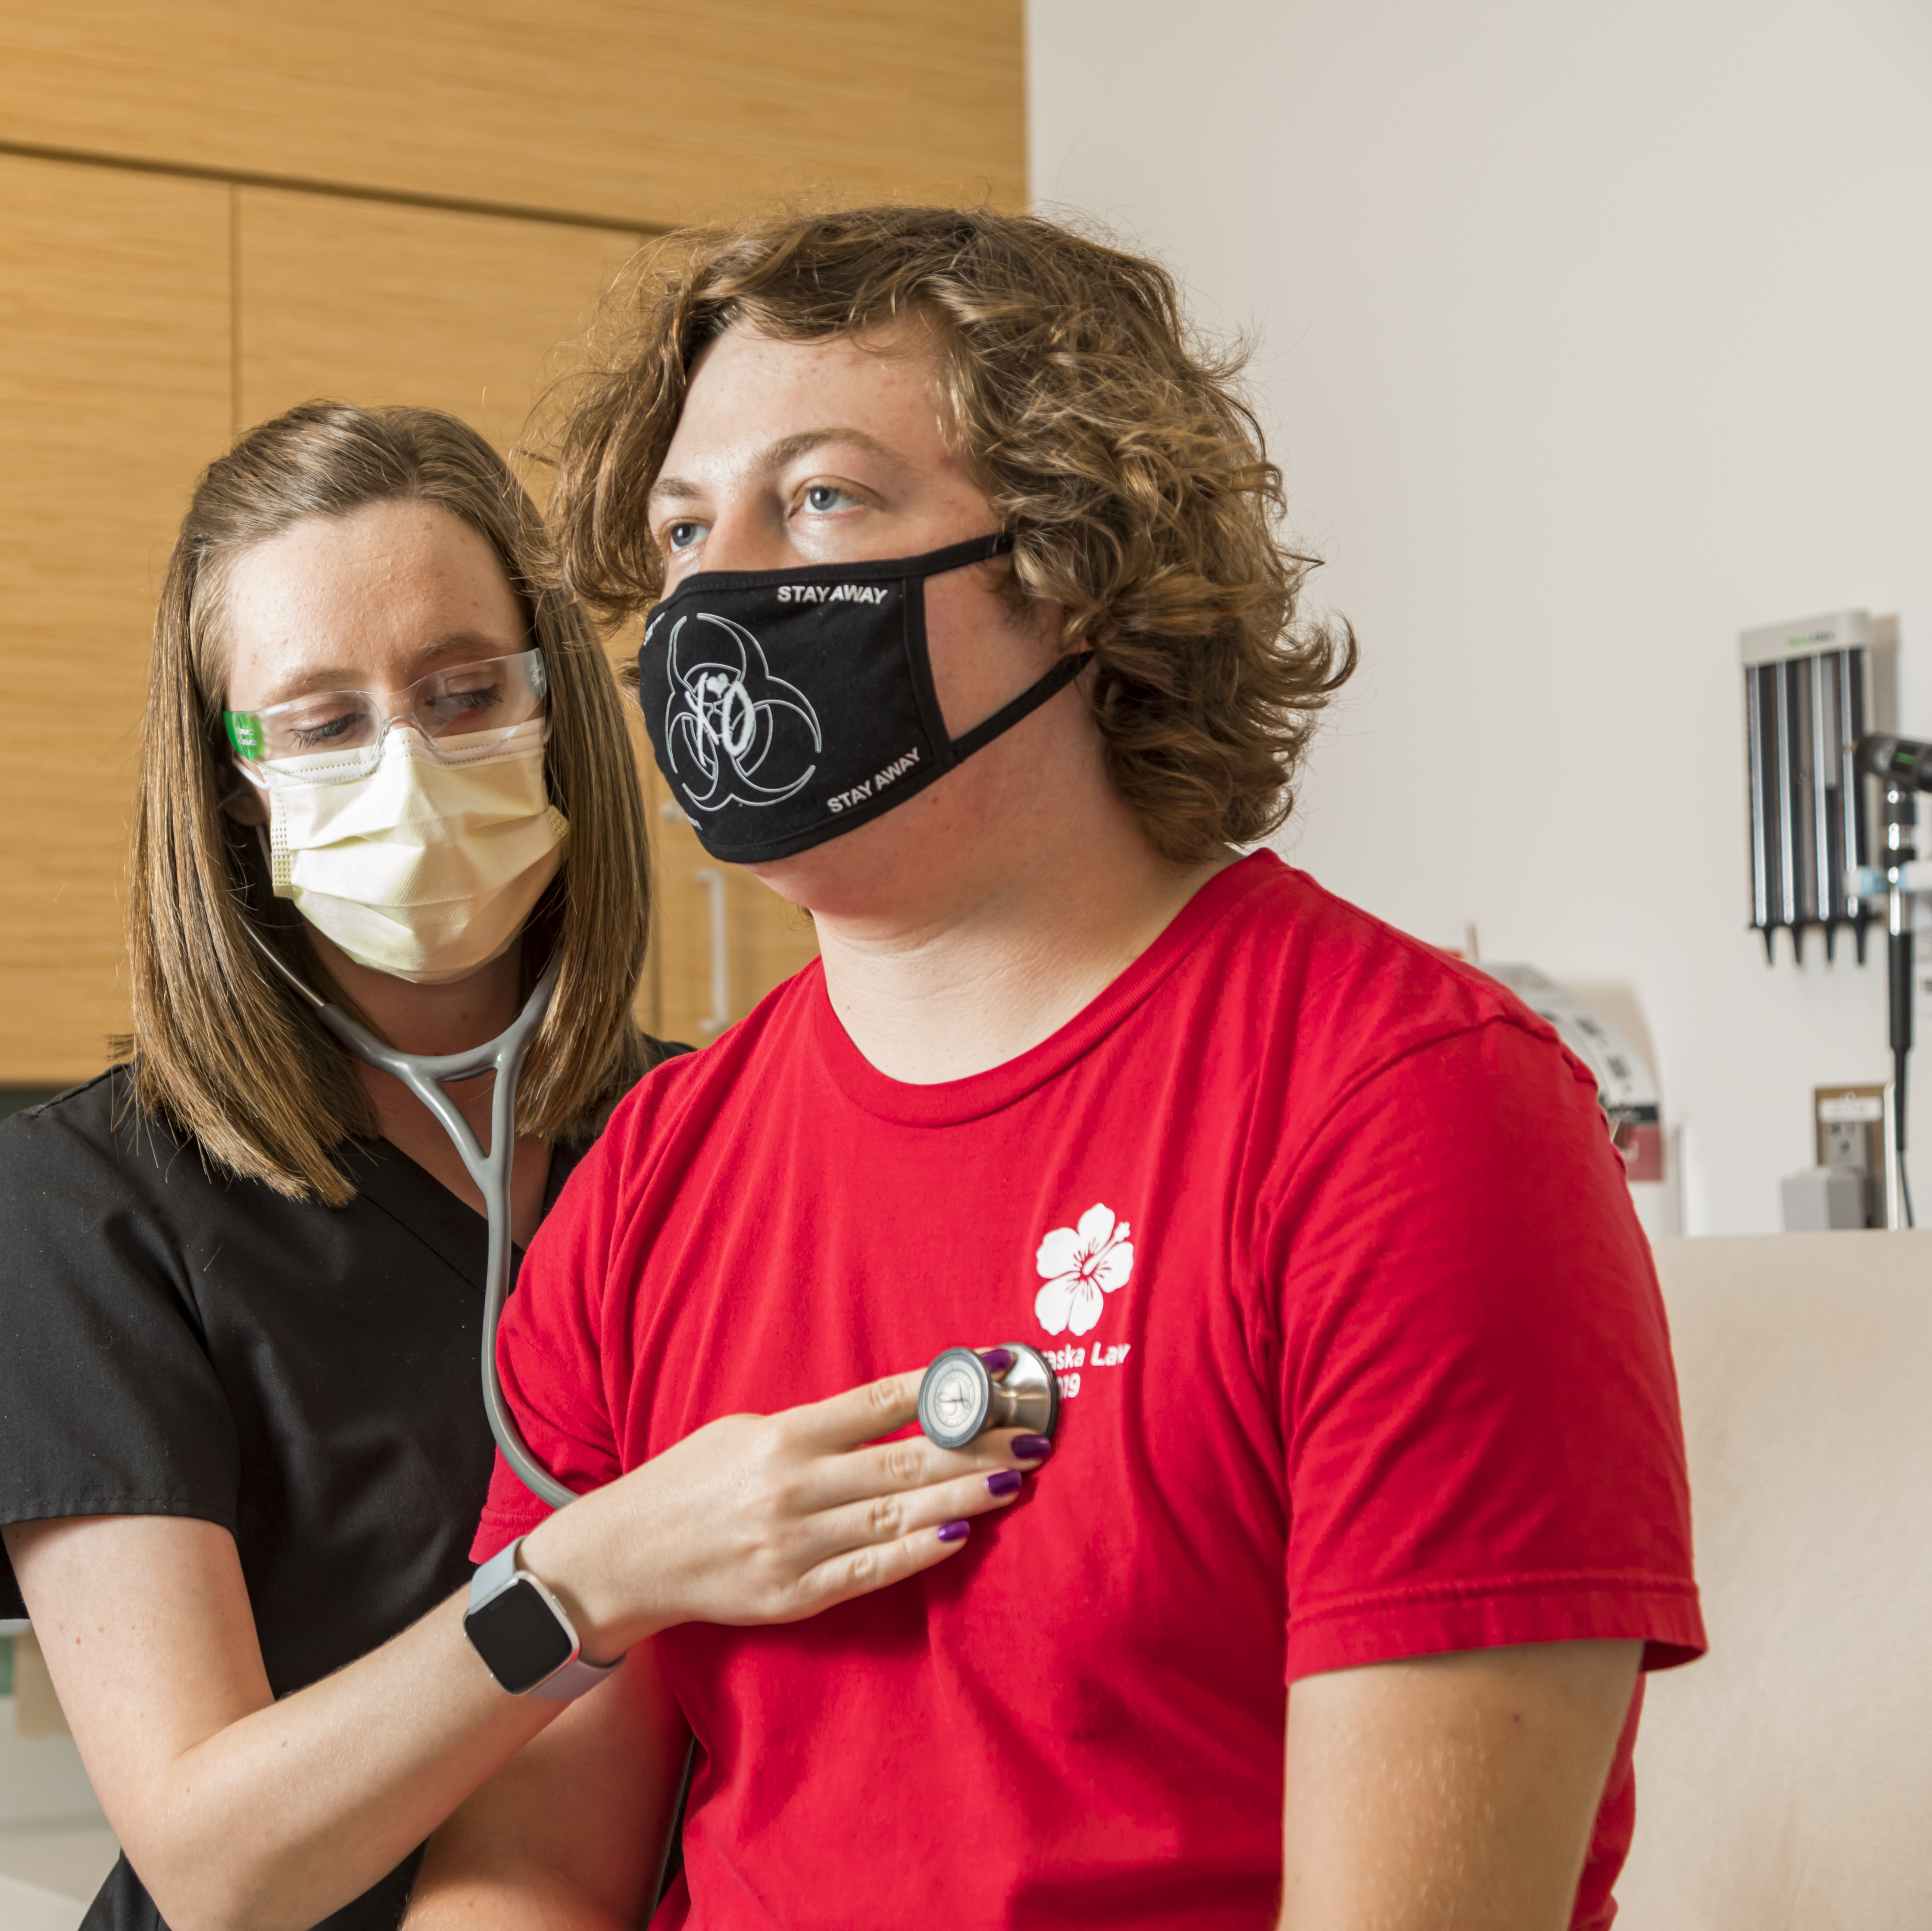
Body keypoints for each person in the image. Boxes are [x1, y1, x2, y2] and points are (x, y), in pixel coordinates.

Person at [405, 210, 1706, 1931]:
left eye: (820, 501)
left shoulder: (1410, 1114)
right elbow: (529, 1882)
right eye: (681, 529)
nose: (719, 595)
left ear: (1077, 562)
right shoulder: (651, 1181)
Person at [0, 403, 1050, 1931]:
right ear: (234, 785)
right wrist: (590, 1578)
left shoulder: (712, 1138)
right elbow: (217, 1863)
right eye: (321, 721)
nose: (409, 763)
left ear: (555, 703)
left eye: (462, 693)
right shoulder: (94, 1203)